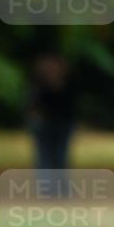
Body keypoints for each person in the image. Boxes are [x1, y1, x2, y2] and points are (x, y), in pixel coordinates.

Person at [26, 52, 78, 189]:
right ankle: (47, 189)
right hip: (43, 124)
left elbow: (71, 105)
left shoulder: (69, 82)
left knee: (61, 156)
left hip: (64, 124)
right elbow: (33, 104)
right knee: (44, 157)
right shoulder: (39, 82)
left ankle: (61, 189)